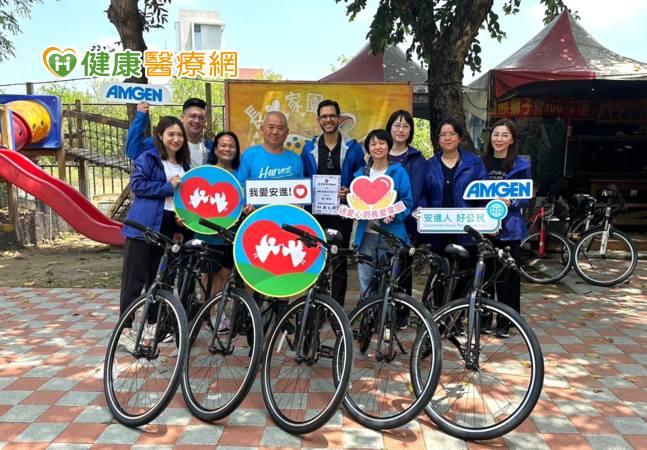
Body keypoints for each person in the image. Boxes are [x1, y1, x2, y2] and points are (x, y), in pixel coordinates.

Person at [120, 116, 191, 329]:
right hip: (145, 226)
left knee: (160, 279)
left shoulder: (185, 165)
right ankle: (126, 328)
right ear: (160, 136)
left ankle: (153, 324)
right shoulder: (148, 158)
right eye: (171, 134)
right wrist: (168, 187)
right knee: (134, 281)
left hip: (171, 225)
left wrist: (184, 220)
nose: (176, 139)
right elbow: (138, 186)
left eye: (180, 135)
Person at [301, 99, 365, 306]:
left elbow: (360, 178)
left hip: (342, 214)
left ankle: (335, 307)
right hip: (315, 213)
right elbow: (302, 178)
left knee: (338, 261)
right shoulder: (309, 148)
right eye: (324, 116)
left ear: (339, 119)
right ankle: (316, 304)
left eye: (332, 116)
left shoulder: (353, 148)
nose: (328, 120)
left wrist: (350, 190)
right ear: (318, 120)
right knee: (317, 259)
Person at [418, 117, 488, 304]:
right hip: (438, 228)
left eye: (451, 134)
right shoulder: (429, 164)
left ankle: (457, 313)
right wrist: (421, 210)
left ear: (459, 137)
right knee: (441, 272)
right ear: (438, 139)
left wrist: (486, 220)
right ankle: (441, 312)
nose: (447, 138)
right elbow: (422, 193)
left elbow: (483, 193)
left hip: (466, 228)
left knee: (465, 273)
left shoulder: (473, 163)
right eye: (443, 135)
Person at [482, 119, 531, 338]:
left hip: (510, 228)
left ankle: (505, 321)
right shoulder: (480, 163)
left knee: (508, 276)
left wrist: (512, 201)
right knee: (485, 274)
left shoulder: (521, 165)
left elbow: (527, 195)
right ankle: (482, 318)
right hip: (484, 227)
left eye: (504, 135)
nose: (499, 139)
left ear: (512, 139)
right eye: (495, 134)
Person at [353, 129, 413, 299]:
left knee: (389, 282)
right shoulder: (360, 175)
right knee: (365, 279)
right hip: (366, 235)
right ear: (368, 149)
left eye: (381, 143)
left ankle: (386, 320)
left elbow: (407, 202)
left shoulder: (399, 172)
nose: (377, 147)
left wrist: (395, 214)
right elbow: (355, 202)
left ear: (388, 146)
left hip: (390, 234)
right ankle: (367, 319)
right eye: (373, 144)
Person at [194, 131, 242, 333]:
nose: (227, 149)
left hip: (230, 234)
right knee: (209, 276)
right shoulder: (206, 172)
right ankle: (208, 314)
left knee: (225, 274)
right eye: (223, 145)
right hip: (207, 233)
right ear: (215, 149)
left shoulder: (240, 173)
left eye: (231, 146)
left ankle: (220, 313)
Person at [386, 109, 426, 299]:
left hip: (405, 221)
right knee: (382, 266)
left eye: (405, 126)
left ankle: (402, 310)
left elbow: (416, 192)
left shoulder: (416, 158)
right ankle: (380, 309)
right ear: (390, 128)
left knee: (403, 267)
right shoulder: (379, 153)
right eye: (397, 125)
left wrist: (397, 212)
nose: (401, 130)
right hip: (379, 220)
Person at [125, 98, 212, 168]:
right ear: (182, 118)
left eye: (201, 118)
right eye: (192, 116)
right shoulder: (163, 142)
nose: (197, 121)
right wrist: (141, 116)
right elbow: (133, 151)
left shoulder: (211, 148)